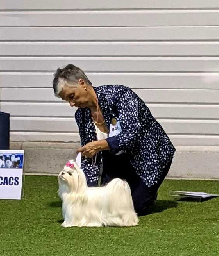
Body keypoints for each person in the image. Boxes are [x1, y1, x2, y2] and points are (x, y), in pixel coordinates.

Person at [53, 64, 176, 215]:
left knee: (130, 208)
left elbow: (132, 134)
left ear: (82, 84)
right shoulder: (81, 116)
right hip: (116, 159)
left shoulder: (120, 95)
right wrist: (87, 194)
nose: (72, 104)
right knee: (106, 206)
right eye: (67, 101)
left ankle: (147, 192)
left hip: (149, 155)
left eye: (72, 96)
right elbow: (91, 156)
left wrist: (100, 145)